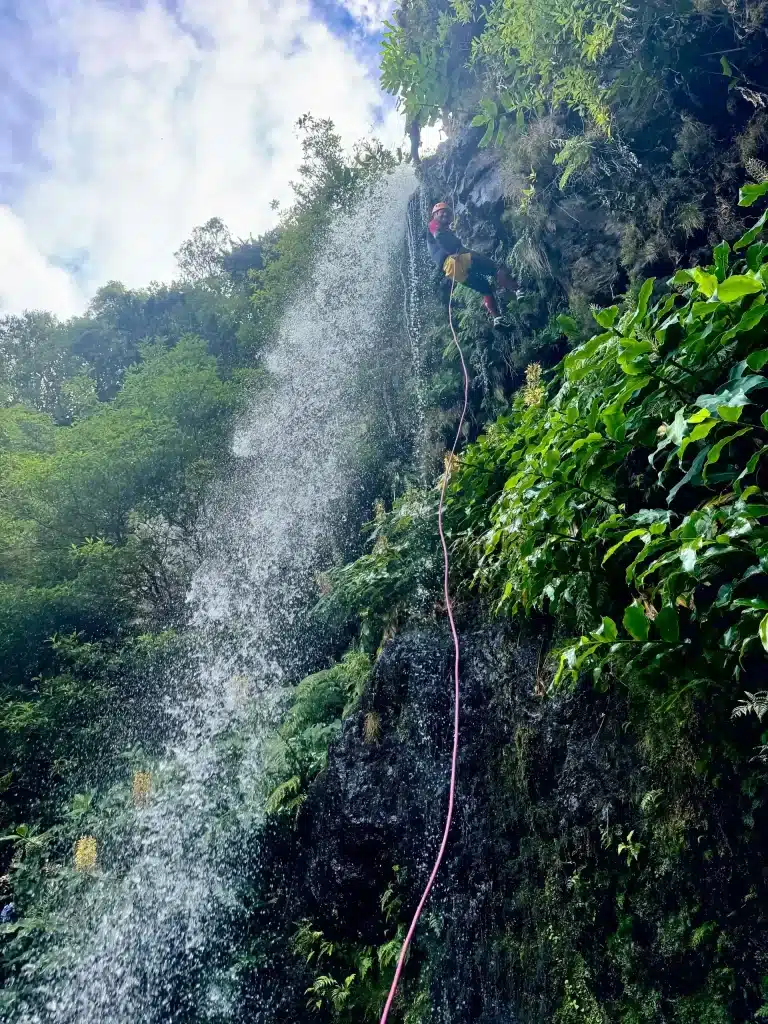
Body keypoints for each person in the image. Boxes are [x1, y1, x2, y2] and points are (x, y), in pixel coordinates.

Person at [426, 202, 518, 329]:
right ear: (435, 214)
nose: (446, 214)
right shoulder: (433, 225)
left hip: (452, 272)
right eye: (442, 212)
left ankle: (497, 318)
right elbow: (440, 236)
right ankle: (518, 290)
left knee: (485, 288)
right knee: (496, 268)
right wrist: (454, 250)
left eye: (448, 212)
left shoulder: (442, 230)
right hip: (455, 261)